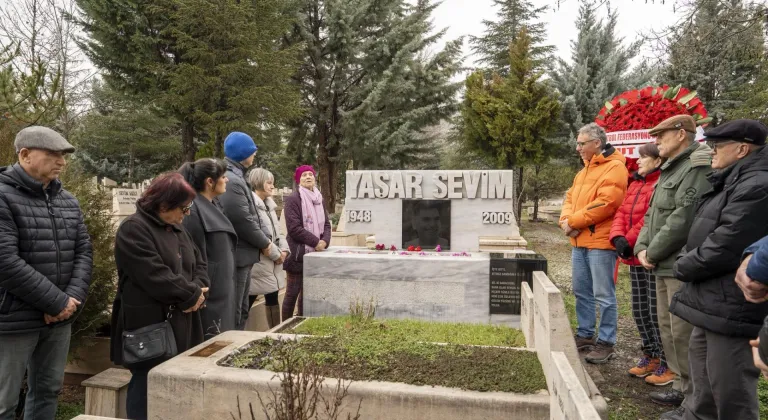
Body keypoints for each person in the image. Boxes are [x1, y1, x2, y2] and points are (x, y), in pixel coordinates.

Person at [670, 119, 768, 420]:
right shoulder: (731, 179)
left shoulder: (758, 185)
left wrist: (682, 264)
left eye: (717, 146)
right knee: (704, 386)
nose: (711, 152)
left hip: (732, 305)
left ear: (742, 149)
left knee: (730, 390)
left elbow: (726, 244)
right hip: (711, 300)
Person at [0, 126, 93, 420]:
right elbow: (5, 261)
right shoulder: (2, 197)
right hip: (13, 321)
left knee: (47, 391)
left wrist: (71, 300)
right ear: (25, 155)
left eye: (63, 156)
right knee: (4, 402)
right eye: (53, 154)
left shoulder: (67, 200)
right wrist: (56, 303)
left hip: (58, 319)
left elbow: (84, 251)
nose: (61, 162)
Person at [110, 172, 208, 420]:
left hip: (185, 319)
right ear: (163, 204)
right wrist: (191, 294)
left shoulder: (177, 228)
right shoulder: (133, 229)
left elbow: (200, 264)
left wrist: (198, 288)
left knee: (179, 383)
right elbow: (154, 275)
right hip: (150, 324)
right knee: (146, 384)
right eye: (183, 209)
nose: (185, 215)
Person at [633, 115, 711, 415]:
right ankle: (679, 386)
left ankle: (693, 395)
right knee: (667, 328)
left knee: (682, 331)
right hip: (660, 262)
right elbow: (653, 214)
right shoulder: (670, 168)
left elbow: (683, 218)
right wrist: (642, 246)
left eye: (661, 135)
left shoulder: (695, 167)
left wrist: (651, 252)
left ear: (681, 134)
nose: (656, 141)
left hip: (678, 262)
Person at [559, 122, 628, 364]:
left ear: (596, 143)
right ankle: (586, 334)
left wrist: (574, 221)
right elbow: (569, 198)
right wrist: (565, 220)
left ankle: (607, 342)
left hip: (599, 242)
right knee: (582, 292)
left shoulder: (615, 168)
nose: (577, 148)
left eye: (581, 143)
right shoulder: (583, 171)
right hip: (579, 241)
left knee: (604, 295)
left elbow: (607, 203)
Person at [609, 143, 666, 379]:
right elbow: (622, 213)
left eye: (644, 157)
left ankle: (665, 359)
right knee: (640, 310)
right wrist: (617, 237)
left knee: (655, 311)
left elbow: (650, 219)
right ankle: (650, 353)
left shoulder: (660, 184)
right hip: (632, 256)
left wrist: (629, 240)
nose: (638, 161)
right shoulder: (635, 184)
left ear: (658, 161)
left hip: (648, 255)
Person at [218, 132, 272, 330]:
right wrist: (265, 243)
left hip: (244, 255)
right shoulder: (232, 179)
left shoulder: (237, 175)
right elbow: (242, 220)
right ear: (243, 152)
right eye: (252, 150)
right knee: (236, 311)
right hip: (239, 255)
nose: (255, 153)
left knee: (242, 309)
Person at [179, 159, 237, 338]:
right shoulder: (193, 210)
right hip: (210, 298)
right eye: (223, 177)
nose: (227, 180)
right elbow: (194, 258)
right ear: (209, 182)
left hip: (222, 291)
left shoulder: (212, 204)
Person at [282, 165, 331, 320]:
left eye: (310, 174)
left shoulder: (319, 199)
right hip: (298, 255)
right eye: (304, 175)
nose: (308, 177)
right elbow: (294, 228)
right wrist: (316, 242)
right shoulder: (293, 199)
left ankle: (301, 322)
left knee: (307, 295)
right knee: (292, 293)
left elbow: (327, 224)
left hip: (316, 254)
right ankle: (285, 326)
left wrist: (324, 241)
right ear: (298, 180)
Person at [248, 168, 289, 329]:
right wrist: (275, 254)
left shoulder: (269, 206)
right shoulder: (252, 206)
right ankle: (234, 333)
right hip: (260, 263)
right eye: (269, 182)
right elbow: (257, 236)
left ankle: (275, 331)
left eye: (273, 182)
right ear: (258, 182)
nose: (272, 186)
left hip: (273, 263)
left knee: (272, 296)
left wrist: (284, 251)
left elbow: (278, 232)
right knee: (249, 298)